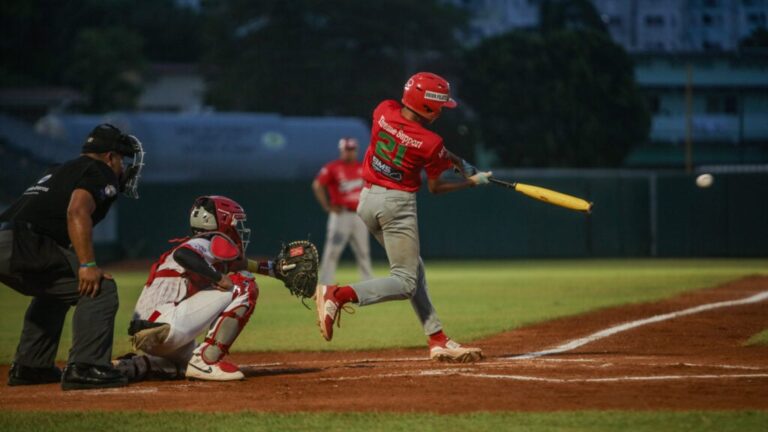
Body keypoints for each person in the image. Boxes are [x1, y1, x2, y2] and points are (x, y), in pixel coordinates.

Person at [315, 72, 492, 362]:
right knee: (406, 281)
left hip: (367, 201)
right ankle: (338, 294)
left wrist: (459, 163)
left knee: (414, 270)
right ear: (427, 106)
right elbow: (435, 187)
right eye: (439, 105)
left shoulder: (383, 110)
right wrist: (470, 182)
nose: (441, 111)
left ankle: (437, 339)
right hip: (396, 206)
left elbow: (425, 145)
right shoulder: (432, 142)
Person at [0, 123, 145, 390]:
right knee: (99, 289)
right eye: (122, 160)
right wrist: (87, 265)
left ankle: (31, 367)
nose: (123, 168)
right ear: (110, 156)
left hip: (9, 238)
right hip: (28, 243)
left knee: (56, 290)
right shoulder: (100, 170)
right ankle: (86, 367)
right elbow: (77, 211)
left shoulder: (61, 169)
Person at [114, 195, 283, 382]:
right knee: (244, 284)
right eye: (235, 223)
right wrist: (218, 278)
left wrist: (276, 269)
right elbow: (183, 254)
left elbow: (239, 264)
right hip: (163, 326)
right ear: (222, 221)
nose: (238, 229)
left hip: (151, 331)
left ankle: (136, 365)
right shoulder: (206, 241)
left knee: (182, 366)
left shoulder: (204, 246)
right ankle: (206, 360)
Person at [312, 137, 373, 285]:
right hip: (341, 215)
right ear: (342, 150)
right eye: (347, 149)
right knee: (332, 251)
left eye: (352, 149)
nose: (350, 152)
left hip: (359, 215)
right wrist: (327, 206)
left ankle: (368, 284)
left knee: (363, 252)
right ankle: (325, 284)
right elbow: (317, 185)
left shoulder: (362, 167)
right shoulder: (333, 167)